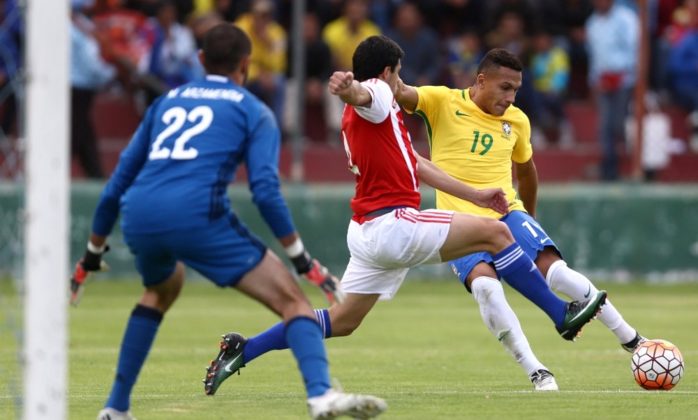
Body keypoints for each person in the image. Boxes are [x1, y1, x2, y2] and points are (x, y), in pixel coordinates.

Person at [205, 35, 607, 396]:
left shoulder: (369, 121)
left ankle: (244, 349)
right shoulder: (380, 93)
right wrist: (350, 89)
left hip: (365, 232)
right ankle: (561, 314)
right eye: (398, 73)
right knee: (497, 234)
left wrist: (475, 195)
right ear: (387, 72)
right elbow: (366, 94)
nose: (400, 81)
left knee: (342, 321)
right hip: (394, 225)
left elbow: (415, 163)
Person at [73, 23, 386, 420]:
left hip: (140, 214)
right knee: (292, 301)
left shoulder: (166, 102)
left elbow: (116, 185)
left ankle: (116, 408)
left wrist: (92, 253)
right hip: (196, 214)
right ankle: (321, 396)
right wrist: (302, 260)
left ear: (201, 60)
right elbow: (265, 191)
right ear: (246, 64)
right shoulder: (252, 110)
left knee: (160, 290)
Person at [395, 47, 645, 388]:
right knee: (486, 288)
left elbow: (527, 172)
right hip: (458, 222)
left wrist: (530, 218)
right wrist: (375, 73)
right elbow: (400, 91)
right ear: (481, 80)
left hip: (507, 214)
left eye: (515, 89)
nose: (511, 97)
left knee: (557, 272)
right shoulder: (441, 101)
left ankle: (634, 340)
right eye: (505, 87)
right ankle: (537, 371)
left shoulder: (517, 121)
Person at [585, 0, 639, 180]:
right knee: (605, 124)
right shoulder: (592, 23)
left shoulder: (627, 19)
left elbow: (635, 51)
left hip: (624, 80)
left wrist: (619, 74)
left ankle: (633, 164)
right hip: (602, 81)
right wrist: (594, 81)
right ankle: (609, 168)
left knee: (619, 123)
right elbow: (594, 56)